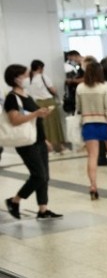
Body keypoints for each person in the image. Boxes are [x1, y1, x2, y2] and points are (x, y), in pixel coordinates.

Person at [4, 64, 60, 219]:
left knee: (45, 177)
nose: (28, 78)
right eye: (25, 76)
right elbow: (15, 120)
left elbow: (34, 121)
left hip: (38, 140)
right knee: (38, 175)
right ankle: (14, 201)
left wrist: (45, 139)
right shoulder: (12, 98)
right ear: (15, 78)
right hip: (26, 142)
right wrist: (36, 113)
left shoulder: (27, 96)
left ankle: (43, 209)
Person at [75, 60, 107, 199]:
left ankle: (93, 185)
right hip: (105, 124)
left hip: (88, 124)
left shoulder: (80, 88)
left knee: (92, 156)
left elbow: (78, 108)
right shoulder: (104, 89)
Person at [27, 60, 66, 153]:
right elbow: (53, 90)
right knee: (54, 124)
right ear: (40, 68)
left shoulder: (28, 79)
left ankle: (46, 145)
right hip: (49, 102)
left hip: (37, 104)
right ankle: (57, 146)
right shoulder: (43, 77)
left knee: (43, 125)